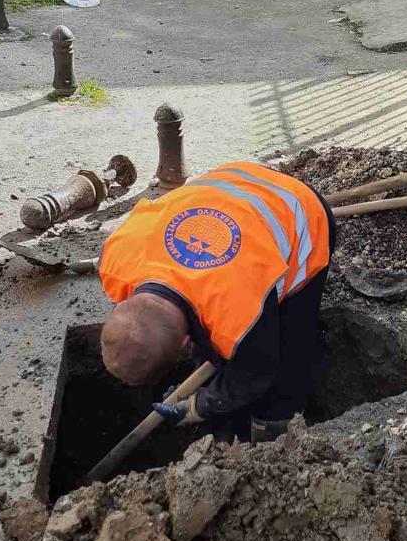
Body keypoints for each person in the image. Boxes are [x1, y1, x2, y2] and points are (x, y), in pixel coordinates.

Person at [97, 161, 335, 442]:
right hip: (232, 181)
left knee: (289, 348)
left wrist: (200, 407)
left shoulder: (239, 314)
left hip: (300, 213)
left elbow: (256, 371)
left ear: (187, 344)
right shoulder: (115, 259)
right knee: (233, 346)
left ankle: (274, 436)